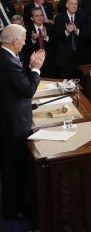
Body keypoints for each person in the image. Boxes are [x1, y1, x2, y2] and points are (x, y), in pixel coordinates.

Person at [0, 24, 45, 219]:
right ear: (14, 41)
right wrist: (35, 70)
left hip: (12, 120)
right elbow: (28, 90)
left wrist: (28, 68)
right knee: (13, 170)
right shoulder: (7, 62)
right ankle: (12, 209)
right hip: (13, 125)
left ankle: (17, 204)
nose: (25, 42)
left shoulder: (6, 57)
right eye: (24, 39)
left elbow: (17, 84)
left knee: (15, 169)